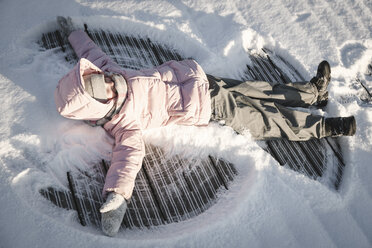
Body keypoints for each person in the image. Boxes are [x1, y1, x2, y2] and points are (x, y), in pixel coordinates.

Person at [55, 17, 356, 236]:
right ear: (96, 106)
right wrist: (117, 199)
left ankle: (313, 93)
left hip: (200, 79)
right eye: (96, 86)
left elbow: (92, 54)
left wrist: (73, 34)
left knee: (260, 89)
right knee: (267, 119)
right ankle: (326, 127)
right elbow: (127, 159)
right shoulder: (124, 124)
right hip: (208, 106)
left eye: (94, 76)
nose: (103, 80)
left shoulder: (110, 73)